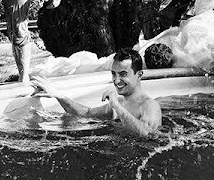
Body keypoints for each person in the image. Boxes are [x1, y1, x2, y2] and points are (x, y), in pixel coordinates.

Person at [30, 48, 161, 137]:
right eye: (113, 74)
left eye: (123, 74)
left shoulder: (150, 105)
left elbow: (148, 134)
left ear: (139, 74)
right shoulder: (120, 103)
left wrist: (116, 106)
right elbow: (86, 114)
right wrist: (59, 95)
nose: (116, 80)